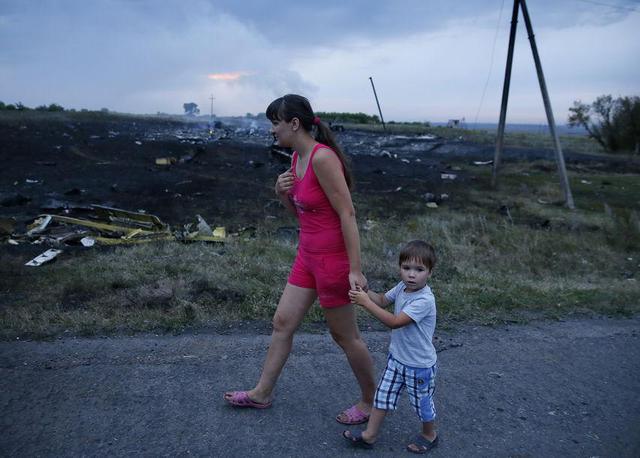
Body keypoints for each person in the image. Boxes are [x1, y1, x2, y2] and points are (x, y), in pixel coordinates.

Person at [224, 94, 376, 425]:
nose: (272, 130)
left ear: (294, 124)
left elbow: (347, 213)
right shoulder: (296, 159)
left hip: (332, 262)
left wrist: (355, 270)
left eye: (275, 123)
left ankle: (371, 401)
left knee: (345, 337)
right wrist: (282, 195)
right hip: (307, 256)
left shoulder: (323, 159)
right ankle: (261, 393)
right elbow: (303, 216)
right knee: (282, 323)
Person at [343, 240, 440, 454]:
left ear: (430, 273)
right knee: (383, 396)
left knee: (421, 404)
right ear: (400, 268)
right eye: (406, 268)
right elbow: (381, 300)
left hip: (419, 365)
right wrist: (365, 291)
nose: (411, 275)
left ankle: (429, 434)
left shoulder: (424, 300)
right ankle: (369, 435)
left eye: (419, 270)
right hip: (397, 359)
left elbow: (394, 322)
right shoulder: (402, 288)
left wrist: (364, 303)